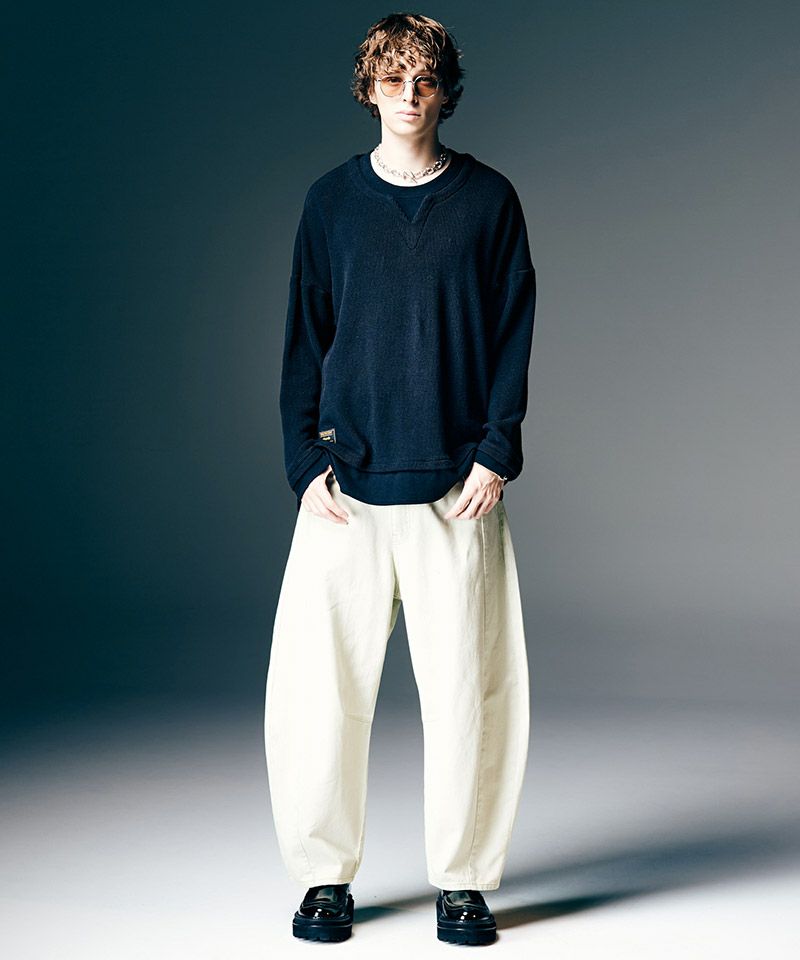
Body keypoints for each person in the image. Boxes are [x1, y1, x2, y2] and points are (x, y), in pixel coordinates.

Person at [264, 12, 536, 946]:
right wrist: (304, 460)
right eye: (392, 80)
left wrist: (497, 449)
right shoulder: (330, 204)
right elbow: (305, 338)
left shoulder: (489, 201)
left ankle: (464, 882)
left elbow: (513, 332)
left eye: (424, 80)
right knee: (318, 696)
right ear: (369, 90)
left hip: (457, 488)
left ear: (446, 90)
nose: (409, 96)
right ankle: (323, 879)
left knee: (470, 695)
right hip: (343, 490)